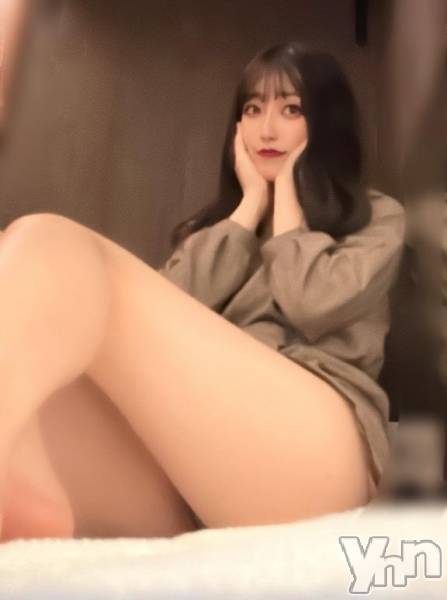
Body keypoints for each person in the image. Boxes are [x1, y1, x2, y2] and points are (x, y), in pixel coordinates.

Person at [0, 41, 406, 542]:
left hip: (319, 453)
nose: (266, 129)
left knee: (52, 244)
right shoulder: (216, 232)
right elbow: (158, 316)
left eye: (291, 109)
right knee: (27, 280)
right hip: (195, 484)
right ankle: (29, 493)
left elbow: (311, 303)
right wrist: (247, 210)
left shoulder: (374, 218)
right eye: (252, 109)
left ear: (327, 123)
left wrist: (287, 215)